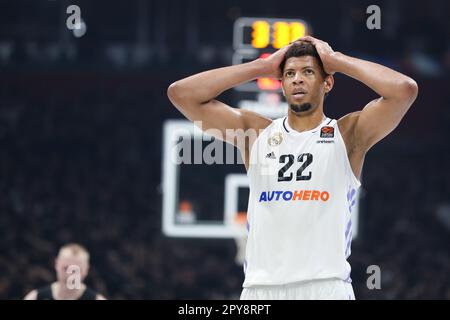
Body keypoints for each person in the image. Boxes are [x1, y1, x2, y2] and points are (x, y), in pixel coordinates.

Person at [167, 36, 418, 300]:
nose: (297, 79)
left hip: (325, 286)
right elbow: (181, 94)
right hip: (260, 289)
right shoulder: (254, 133)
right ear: (282, 85)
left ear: (327, 82)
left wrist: (336, 61)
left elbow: (403, 90)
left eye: (308, 72)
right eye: (289, 74)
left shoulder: (348, 135)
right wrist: (261, 67)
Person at [24, 243, 106, 300]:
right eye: (66, 268)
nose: (70, 276)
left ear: (86, 270)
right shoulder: (35, 298)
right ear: (56, 264)